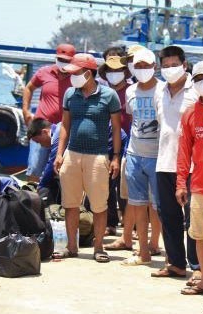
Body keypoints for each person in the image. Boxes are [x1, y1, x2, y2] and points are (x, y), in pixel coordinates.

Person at [53, 53, 122, 263]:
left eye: (75, 72)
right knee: (70, 203)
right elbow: (65, 124)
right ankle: (71, 247)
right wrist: (59, 153)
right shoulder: (69, 94)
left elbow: (117, 129)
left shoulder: (110, 96)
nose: (72, 76)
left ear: (88, 73)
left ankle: (98, 247)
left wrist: (116, 157)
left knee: (99, 205)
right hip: (72, 155)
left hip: (98, 157)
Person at [151, 45, 199, 278]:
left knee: (193, 217)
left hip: (192, 165)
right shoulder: (159, 91)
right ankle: (176, 263)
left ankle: (198, 266)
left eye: (174, 65)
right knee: (168, 215)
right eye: (165, 66)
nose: (170, 69)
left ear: (184, 65)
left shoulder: (196, 90)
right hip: (164, 161)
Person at [176, 60, 203, 295]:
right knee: (200, 235)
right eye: (198, 79)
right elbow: (183, 151)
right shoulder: (190, 112)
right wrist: (181, 182)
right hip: (200, 184)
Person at [119, 48, 164, 266]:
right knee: (137, 203)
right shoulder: (130, 91)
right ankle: (143, 251)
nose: (143, 70)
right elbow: (132, 117)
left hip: (158, 155)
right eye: (138, 66)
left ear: (155, 67)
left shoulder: (164, 89)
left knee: (157, 206)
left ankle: (155, 243)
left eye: (147, 66)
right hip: (135, 153)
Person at [22, 43, 76, 182]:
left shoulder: (76, 77)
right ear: (56, 58)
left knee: (61, 169)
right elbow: (28, 88)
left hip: (64, 130)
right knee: (35, 167)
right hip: (41, 128)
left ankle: (54, 199)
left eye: (67, 60)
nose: (63, 63)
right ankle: (31, 198)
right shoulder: (44, 72)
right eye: (61, 59)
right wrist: (25, 110)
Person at [98, 53, 133, 236]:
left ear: (125, 72)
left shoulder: (132, 90)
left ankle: (131, 226)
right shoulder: (102, 91)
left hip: (130, 143)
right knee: (107, 186)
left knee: (125, 189)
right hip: (109, 142)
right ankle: (111, 223)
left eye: (118, 70)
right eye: (110, 70)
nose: (114, 73)